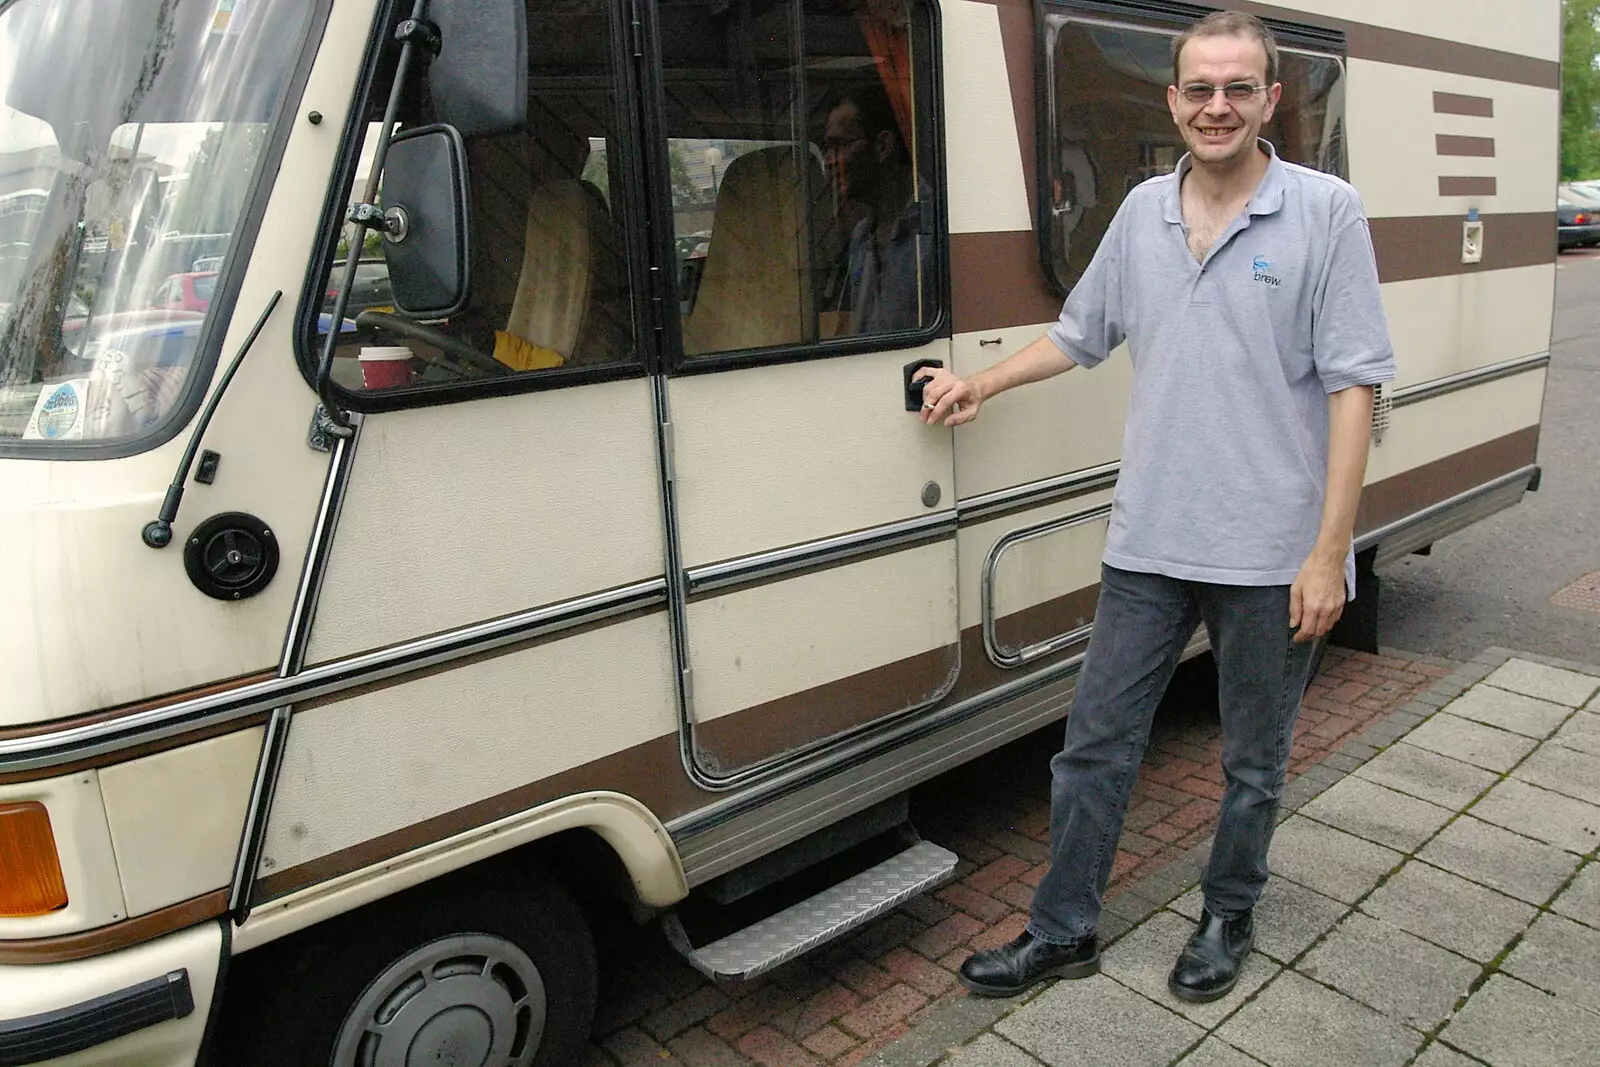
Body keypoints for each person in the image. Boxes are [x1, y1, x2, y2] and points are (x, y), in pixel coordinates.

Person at [917, 10, 1394, 1004]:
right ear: (1171, 99)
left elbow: (1356, 387)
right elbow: (1080, 333)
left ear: (1269, 100)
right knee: (1094, 742)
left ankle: (1227, 911)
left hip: (1272, 552)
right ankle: (1062, 928)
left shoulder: (1325, 211)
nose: (1215, 106)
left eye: (1237, 88)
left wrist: (1329, 550)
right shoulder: (1141, 212)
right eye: (1197, 89)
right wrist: (983, 383)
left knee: (1251, 759)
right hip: (1152, 539)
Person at [820, 83, 932, 334]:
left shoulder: (933, 228)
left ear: (882, 146)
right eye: (827, 149)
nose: (828, 161)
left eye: (839, 146)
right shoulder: (861, 236)